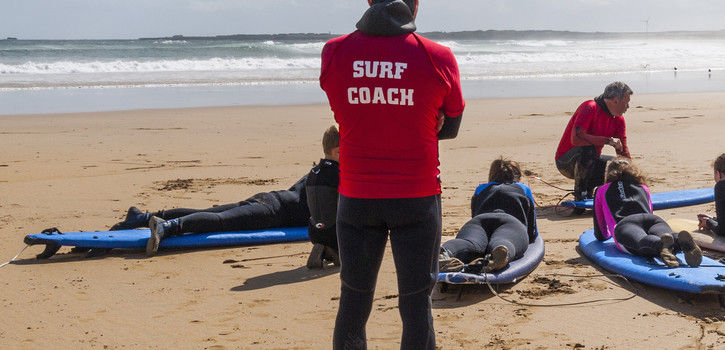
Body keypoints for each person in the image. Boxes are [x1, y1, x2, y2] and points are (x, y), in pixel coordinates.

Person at [319, 0, 464, 348]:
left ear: (369, 2)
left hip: (356, 197)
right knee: (416, 303)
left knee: (354, 299)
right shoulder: (437, 56)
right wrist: (426, 121)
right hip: (416, 198)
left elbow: (349, 112)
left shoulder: (335, 52)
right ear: (413, 5)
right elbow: (451, 127)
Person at [110, 127, 336, 259]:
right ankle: (166, 226)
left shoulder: (316, 170)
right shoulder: (334, 176)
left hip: (269, 199)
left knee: (208, 213)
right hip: (272, 212)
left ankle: (140, 217)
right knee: (220, 221)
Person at [592, 158, 701, 268]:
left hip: (625, 224)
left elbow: (600, 233)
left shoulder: (601, 190)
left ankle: (659, 246)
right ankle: (679, 240)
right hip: (653, 220)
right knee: (667, 237)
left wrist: (609, 234)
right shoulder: (643, 188)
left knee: (641, 241)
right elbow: (650, 210)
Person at [438, 158, 537, 273]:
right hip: (511, 223)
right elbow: (532, 230)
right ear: (518, 177)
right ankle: (499, 254)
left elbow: (474, 213)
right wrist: (523, 240)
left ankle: (445, 252)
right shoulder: (523, 189)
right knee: (504, 240)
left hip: (479, 222)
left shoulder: (480, 189)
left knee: (470, 242)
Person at [554, 82, 632, 202]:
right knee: (589, 149)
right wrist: (607, 141)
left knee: (618, 165)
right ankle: (580, 193)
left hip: (590, 161)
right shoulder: (590, 107)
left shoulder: (618, 119)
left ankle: (591, 190)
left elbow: (623, 150)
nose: (627, 106)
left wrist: (631, 174)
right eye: (626, 102)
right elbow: (576, 139)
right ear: (615, 100)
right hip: (566, 161)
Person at [305, 124, 342, 269]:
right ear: (337, 152)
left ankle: (326, 248)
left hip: (313, 232)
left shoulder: (313, 172)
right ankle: (336, 251)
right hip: (334, 234)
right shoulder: (339, 174)